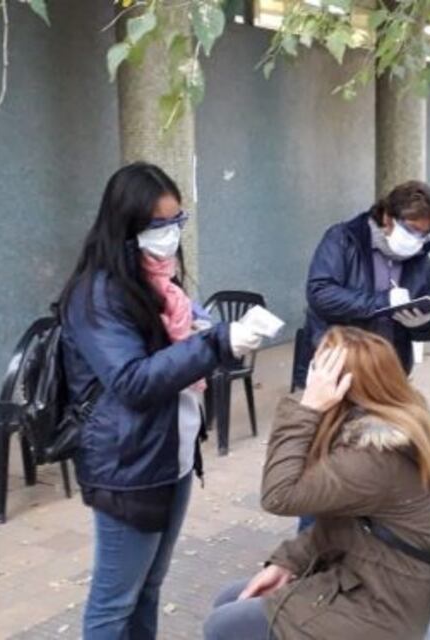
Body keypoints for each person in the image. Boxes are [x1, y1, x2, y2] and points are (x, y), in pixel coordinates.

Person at [59, 162, 266, 639]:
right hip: (127, 466)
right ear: (126, 227)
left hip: (168, 455)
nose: (171, 236)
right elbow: (131, 381)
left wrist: (207, 332)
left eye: (178, 222)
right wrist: (214, 345)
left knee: (149, 586)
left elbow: (174, 349)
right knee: (113, 604)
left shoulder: (160, 282)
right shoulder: (97, 295)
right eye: (159, 226)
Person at [205, 326, 430, 640]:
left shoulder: (374, 456)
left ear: (343, 387)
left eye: (319, 370)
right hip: (366, 577)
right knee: (229, 601)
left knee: (223, 626)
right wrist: (288, 562)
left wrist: (307, 409)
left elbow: (278, 496)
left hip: (381, 608)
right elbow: (340, 525)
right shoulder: (380, 427)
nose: (312, 379)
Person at [293, 181, 430, 389]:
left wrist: (423, 324)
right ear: (387, 218)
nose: (416, 239)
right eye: (411, 230)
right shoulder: (344, 240)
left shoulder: (422, 263)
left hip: (389, 373)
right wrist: (383, 302)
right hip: (335, 368)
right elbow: (320, 294)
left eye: (424, 234)